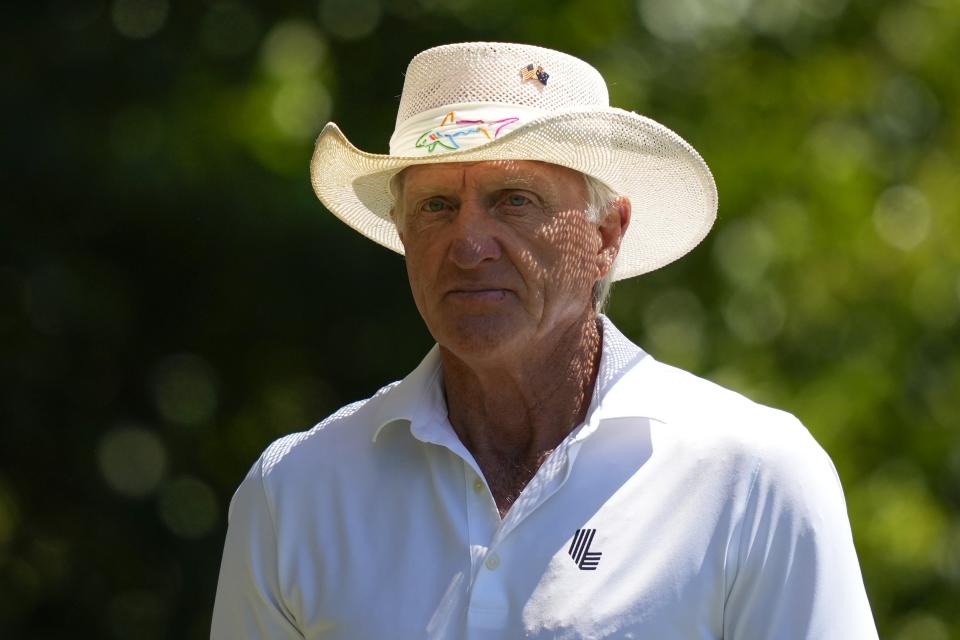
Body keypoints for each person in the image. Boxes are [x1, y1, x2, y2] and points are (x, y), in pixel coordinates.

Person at [211, 42, 878, 639]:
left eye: (515, 200)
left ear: (606, 237)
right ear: (404, 234)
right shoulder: (296, 493)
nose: (468, 246)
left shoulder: (750, 476)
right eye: (437, 206)